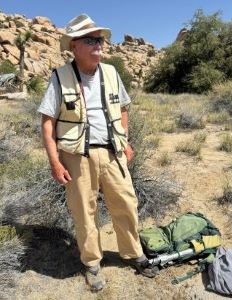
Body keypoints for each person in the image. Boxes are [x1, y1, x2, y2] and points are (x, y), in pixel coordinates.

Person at [38, 13, 158, 292]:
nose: (99, 45)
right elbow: (47, 122)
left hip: (113, 151)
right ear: (74, 46)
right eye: (91, 40)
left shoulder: (112, 73)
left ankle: (132, 253)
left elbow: (124, 107)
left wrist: (125, 140)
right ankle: (92, 263)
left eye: (100, 40)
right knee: (84, 211)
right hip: (77, 155)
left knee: (126, 203)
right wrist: (55, 161)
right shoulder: (60, 77)